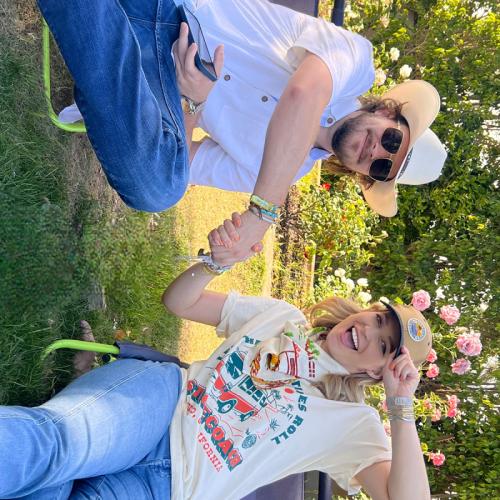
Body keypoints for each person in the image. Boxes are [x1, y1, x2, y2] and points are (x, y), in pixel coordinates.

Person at [1, 217, 433, 500]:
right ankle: (78, 419)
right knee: (57, 443)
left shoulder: (353, 425)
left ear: (378, 371)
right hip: (163, 405)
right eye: (378, 319)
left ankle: (80, 402)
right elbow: (180, 303)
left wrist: (401, 407)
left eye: (383, 345)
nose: (368, 331)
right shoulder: (284, 318)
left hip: (172, 488)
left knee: (57, 481)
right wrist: (214, 263)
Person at [39, 0, 447, 257]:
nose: (377, 151)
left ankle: (100, 50)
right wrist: (263, 212)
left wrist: (192, 101)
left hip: (162, 85)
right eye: (392, 139)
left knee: (160, 188)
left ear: (364, 177)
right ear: (387, 112)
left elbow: (184, 159)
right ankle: (100, 66)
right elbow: (303, 94)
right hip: (172, 16)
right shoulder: (356, 63)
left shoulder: (277, 174)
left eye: (382, 167)